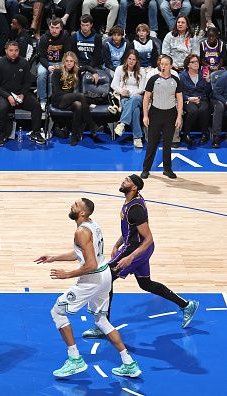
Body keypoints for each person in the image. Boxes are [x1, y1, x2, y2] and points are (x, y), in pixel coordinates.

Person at [82, 175, 200, 338]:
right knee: (145, 283)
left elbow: (148, 237)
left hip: (136, 249)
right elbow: (130, 229)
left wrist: (131, 257)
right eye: (124, 179)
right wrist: (117, 244)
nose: (123, 181)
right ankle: (187, 305)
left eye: (128, 180)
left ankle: (103, 326)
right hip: (139, 248)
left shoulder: (135, 208)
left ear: (134, 187)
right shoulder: (131, 200)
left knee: (104, 278)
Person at [36, 198, 142, 378]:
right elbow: (83, 254)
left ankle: (75, 359)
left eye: (76, 205)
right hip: (105, 275)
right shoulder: (93, 225)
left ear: (83, 213)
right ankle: (129, 363)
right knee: (101, 320)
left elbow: (90, 263)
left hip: (93, 279)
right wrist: (54, 257)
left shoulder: (81, 232)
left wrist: (67, 274)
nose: (71, 205)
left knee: (57, 312)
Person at [0, 41, 45, 146]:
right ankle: (2, 134)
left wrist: (23, 94)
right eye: (11, 50)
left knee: (36, 106)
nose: (14, 53)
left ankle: (36, 132)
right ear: (6, 51)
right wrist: (8, 96)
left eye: (16, 50)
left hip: (20, 94)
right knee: (2, 108)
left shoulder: (24, 63)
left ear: (19, 51)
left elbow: (27, 82)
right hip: (3, 94)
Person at [141, 55, 183, 179]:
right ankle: (146, 169)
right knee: (152, 143)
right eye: (162, 64)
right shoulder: (153, 79)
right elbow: (146, 98)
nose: (163, 66)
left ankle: (167, 169)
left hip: (170, 114)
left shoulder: (175, 80)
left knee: (167, 143)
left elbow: (179, 99)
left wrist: (179, 117)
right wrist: (145, 116)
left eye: (166, 64)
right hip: (155, 113)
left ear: (171, 66)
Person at [51, 51, 104, 146]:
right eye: (67, 61)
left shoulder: (76, 71)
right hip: (58, 100)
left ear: (74, 62)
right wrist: (71, 97)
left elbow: (87, 67)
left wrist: (94, 73)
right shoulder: (57, 72)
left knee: (78, 105)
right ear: (64, 62)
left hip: (69, 100)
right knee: (80, 96)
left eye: (71, 61)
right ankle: (92, 125)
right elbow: (56, 92)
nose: (69, 63)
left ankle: (74, 137)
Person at [110, 49, 146, 147]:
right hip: (124, 96)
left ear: (137, 61)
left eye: (134, 59)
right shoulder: (119, 69)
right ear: (126, 59)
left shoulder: (141, 71)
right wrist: (122, 91)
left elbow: (142, 89)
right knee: (136, 111)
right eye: (129, 59)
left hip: (138, 97)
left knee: (134, 100)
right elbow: (113, 85)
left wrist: (130, 93)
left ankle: (122, 123)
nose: (131, 61)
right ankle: (137, 138)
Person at [37, 18, 72, 109]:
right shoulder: (44, 38)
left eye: (57, 28)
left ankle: (53, 99)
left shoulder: (65, 36)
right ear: (49, 27)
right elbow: (41, 57)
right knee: (41, 74)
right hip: (46, 62)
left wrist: (61, 65)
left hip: (61, 62)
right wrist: (48, 66)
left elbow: (67, 54)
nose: (54, 30)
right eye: (52, 27)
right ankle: (43, 100)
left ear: (61, 28)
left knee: (54, 74)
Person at [179, 53, 211, 146]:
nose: (196, 64)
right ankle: (186, 134)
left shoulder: (202, 74)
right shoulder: (182, 75)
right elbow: (180, 92)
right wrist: (189, 98)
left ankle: (205, 133)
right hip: (188, 98)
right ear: (188, 65)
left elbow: (208, 92)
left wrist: (208, 81)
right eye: (193, 62)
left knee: (203, 109)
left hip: (202, 98)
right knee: (193, 111)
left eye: (197, 61)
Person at [210, 68, 227, 148]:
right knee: (219, 107)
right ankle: (216, 136)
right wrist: (225, 101)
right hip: (219, 99)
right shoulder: (224, 77)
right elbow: (216, 93)